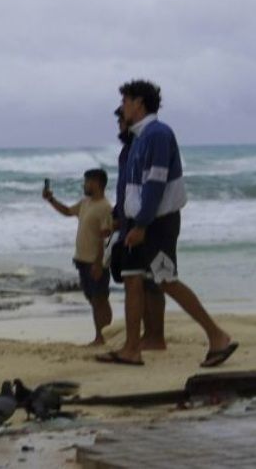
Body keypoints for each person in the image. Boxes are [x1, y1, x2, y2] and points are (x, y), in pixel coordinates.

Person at [97, 79, 237, 368]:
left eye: (125, 101)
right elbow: (132, 188)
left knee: (165, 279)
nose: (122, 108)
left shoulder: (158, 135)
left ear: (139, 103)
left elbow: (156, 183)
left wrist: (142, 225)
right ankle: (131, 349)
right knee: (133, 280)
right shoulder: (138, 139)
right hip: (137, 222)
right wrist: (123, 221)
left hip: (156, 223)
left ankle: (218, 337)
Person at [109, 105, 166, 349]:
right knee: (141, 280)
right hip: (129, 220)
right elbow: (126, 188)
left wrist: (141, 221)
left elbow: (152, 185)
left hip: (145, 221)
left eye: (122, 121)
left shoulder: (146, 143)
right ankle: (148, 336)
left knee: (153, 280)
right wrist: (116, 214)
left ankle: (154, 336)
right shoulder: (127, 151)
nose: (120, 126)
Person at [43, 169, 114, 345]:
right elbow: (67, 211)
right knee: (93, 298)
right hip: (82, 259)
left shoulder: (105, 207)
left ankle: (101, 336)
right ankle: (106, 333)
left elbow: (105, 238)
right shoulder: (86, 202)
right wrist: (51, 200)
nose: (84, 185)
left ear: (97, 183)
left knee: (99, 299)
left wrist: (99, 263)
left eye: (87, 181)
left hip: (95, 262)